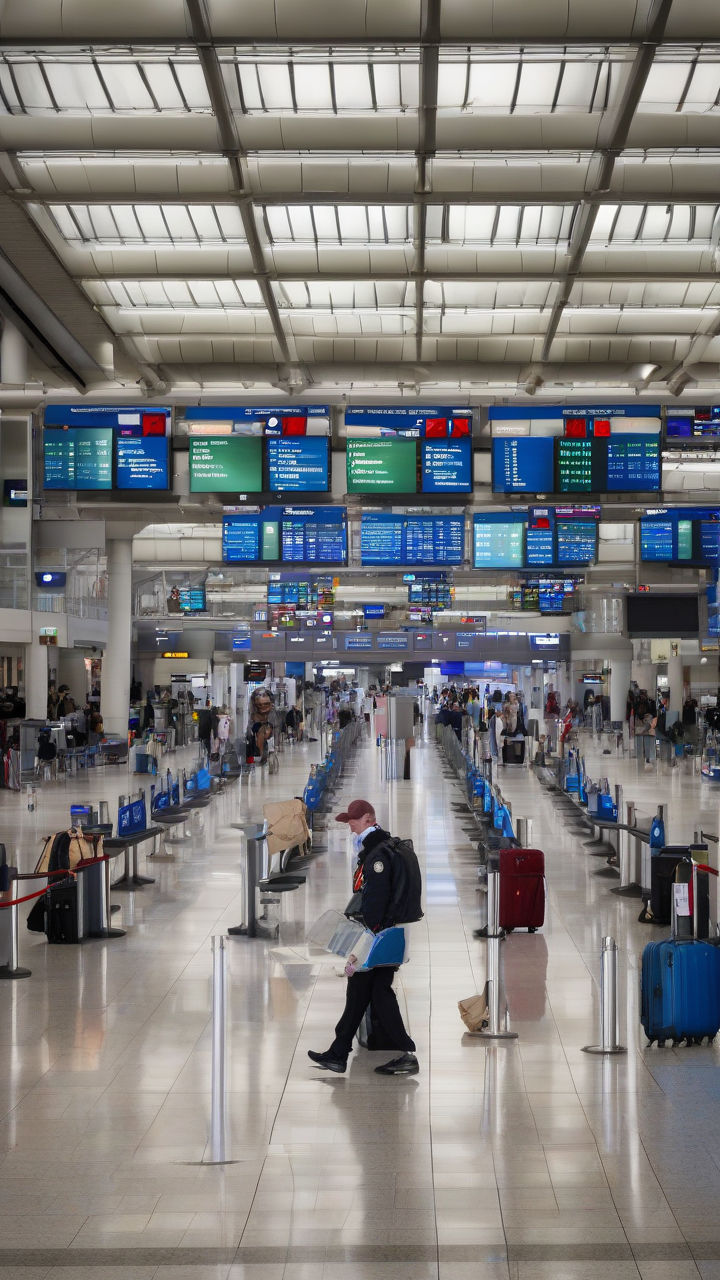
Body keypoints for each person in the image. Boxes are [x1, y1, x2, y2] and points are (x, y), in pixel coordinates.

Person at [308, 799, 418, 1077]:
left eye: (354, 821)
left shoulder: (378, 855)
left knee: (378, 992)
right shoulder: (379, 847)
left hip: (378, 935)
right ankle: (338, 1052)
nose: (351, 826)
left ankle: (406, 1054)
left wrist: (365, 941)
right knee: (360, 991)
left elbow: (375, 901)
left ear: (369, 819)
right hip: (380, 933)